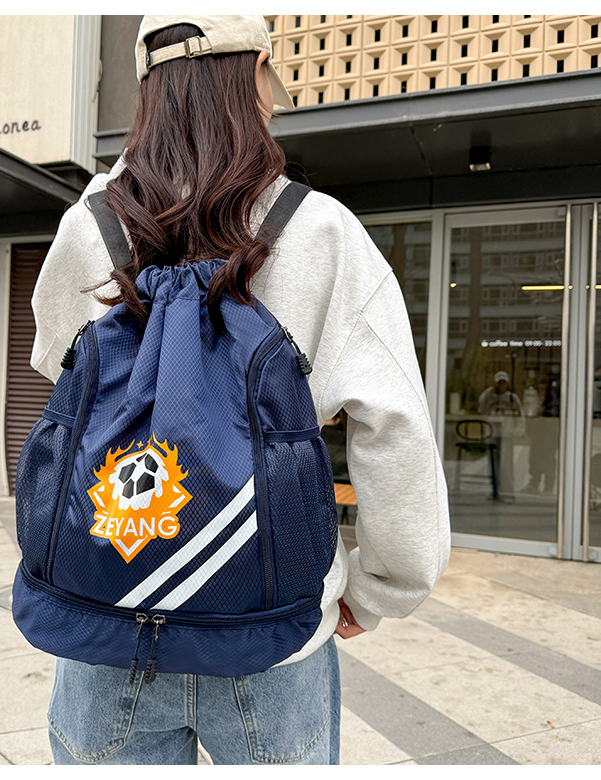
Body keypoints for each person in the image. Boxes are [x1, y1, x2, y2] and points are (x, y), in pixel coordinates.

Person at [29, 15, 451, 765]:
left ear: (147, 92)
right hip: (271, 631)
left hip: (105, 615)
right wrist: (382, 587)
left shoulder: (89, 226)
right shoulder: (323, 231)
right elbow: (396, 431)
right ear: (258, 71)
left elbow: (59, 378)